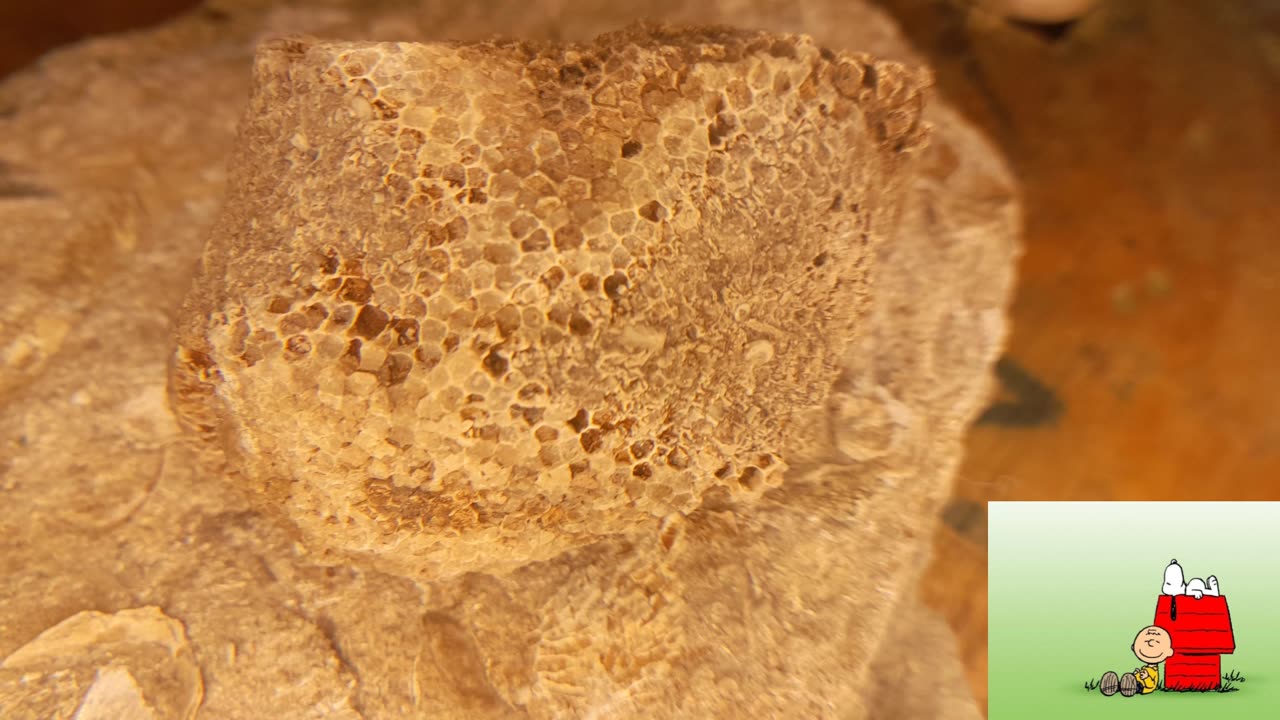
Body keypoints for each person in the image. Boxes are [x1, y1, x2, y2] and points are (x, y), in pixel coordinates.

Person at [1098, 626, 1174, 697]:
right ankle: (1112, 686)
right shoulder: (1145, 668)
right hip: (1137, 682)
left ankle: (1127, 688)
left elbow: (1151, 685)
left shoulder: (1154, 672)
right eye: (1146, 641)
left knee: (1133, 684)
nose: (1151, 643)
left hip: (1143, 688)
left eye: (1157, 642)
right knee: (1127, 681)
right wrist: (1137, 674)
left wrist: (1146, 677)